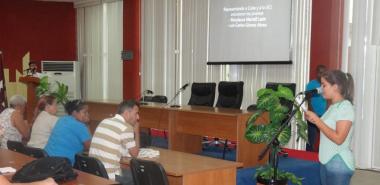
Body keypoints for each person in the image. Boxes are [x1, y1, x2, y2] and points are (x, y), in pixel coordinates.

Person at [305, 70, 355, 185]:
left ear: (335, 87)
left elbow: (338, 139)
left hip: (338, 163)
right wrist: (313, 120)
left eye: (324, 85)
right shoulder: (333, 106)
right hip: (326, 161)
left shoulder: (345, 107)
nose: (321, 88)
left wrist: (317, 120)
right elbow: (326, 130)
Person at [89, 100, 140, 185]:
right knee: (139, 176)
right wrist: (136, 131)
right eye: (136, 113)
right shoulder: (126, 127)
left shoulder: (104, 121)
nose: (138, 117)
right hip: (109, 176)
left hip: (94, 172)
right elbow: (135, 154)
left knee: (126, 170)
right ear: (127, 113)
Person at [44, 100, 91, 165]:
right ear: (74, 113)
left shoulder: (62, 119)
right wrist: (87, 123)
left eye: (88, 112)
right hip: (61, 164)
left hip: (46, 157)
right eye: (84, 112)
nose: (87, 114)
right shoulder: (80, 125)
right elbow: (90, 146)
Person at [306, 65, 327, 152]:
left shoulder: (326, 84)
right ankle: (308, 157)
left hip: (324, 115)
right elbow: (307, 99)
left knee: (325, 137)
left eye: (323, 72)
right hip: (313, 115)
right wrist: (313, 113)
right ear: (316, 73)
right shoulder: (311, 84)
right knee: (312, 138)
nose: (321, 74)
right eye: (320, 72)